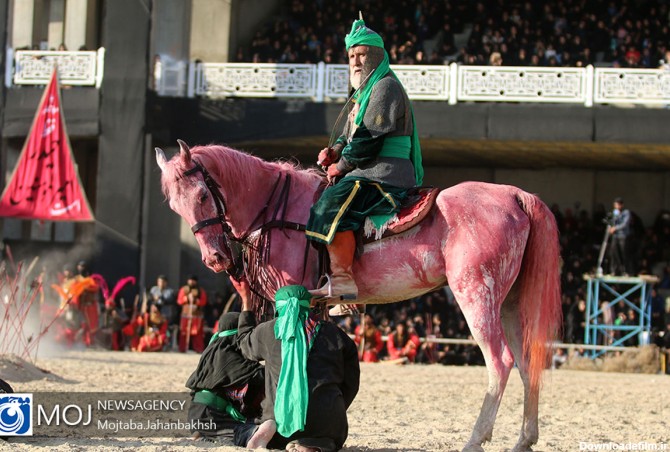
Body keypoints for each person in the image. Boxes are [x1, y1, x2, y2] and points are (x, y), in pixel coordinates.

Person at [305, 17, 423, 302]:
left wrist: (341, 165)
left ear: (377, 56)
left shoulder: (385, 87)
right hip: (367, 171)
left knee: (329, 206)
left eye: (362, 55)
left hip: (384, 175)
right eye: (352, 56)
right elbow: (350, 137)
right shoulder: (363, 94)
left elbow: (368, 140)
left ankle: (343, 281)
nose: (356, 61)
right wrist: (334, 150)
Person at [234, 278, 360, 451]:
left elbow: (244, 346)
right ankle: (313, 444)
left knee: (241, 429)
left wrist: (246, 302)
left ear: (278, 306)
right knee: (329, 438)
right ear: (308, 305)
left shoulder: (267, 331)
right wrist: (333, 405)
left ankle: (262, 433)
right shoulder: (335, 333)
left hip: (279, 427)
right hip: (328, 423)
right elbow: (352, 382)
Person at [185, 311, 265, 444]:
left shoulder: (212, 350)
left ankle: (201, 432)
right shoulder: (227, 356)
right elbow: (258, 375)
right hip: (211, 415)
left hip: (196, 413)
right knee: (246, 431)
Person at [177, 274, 208, 353]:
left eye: (193, 280)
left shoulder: (201, 291)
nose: (191, 282)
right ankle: (183, 348)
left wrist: (195, 300)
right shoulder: (183, 290)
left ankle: (198, 348)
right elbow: (179, 301)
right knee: (184, 332)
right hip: (186, 315)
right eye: (190, 280)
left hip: (196, 315)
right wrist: (186, 298)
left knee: (197, 333)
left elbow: (204, 301)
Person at [608, 197, 633, 276]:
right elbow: (612, 222)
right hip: (615, 236)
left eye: (618, 205)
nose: (617, 207)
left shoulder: (626, 213)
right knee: (614, 252)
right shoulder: (615, 213)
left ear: (621, 205)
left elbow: (625, 224)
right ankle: (614, 270)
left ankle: (625, 271)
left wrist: (615, 228)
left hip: (623, 236)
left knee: (624, 253)